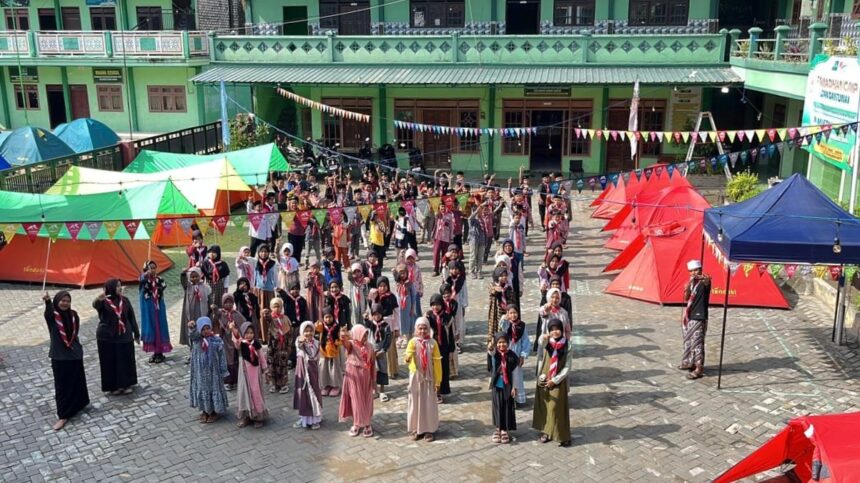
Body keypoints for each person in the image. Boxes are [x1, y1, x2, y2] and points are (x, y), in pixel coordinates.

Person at [42, 291, 89, 431]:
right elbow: (48, 313)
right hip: (59, 356)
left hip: (74, 354)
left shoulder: (74, 315)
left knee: (77, 381)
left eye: (68, 301)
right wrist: (47, 302)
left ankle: (79, 404)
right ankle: (63, 415)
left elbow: (75, 332)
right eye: (62, 300)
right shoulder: (53, 316)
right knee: (62, 387)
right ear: (57, 301)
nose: (65, 303)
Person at [93, 279, 139, 395]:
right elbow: (95, 305)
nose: (120, 288)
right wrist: (98, 299)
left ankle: (126, 384)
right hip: (107, 337)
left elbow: (131, 317)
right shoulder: (104, 302)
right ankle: (113, 386)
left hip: (124, 335)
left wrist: (136, 333)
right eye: (117, 286)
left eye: (120, 286)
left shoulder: (125, 300)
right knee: (110, 361)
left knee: (125, 360)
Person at [533, 319, 572, 447]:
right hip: (545, 376)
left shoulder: (567, 344)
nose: (555, 332)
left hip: (558, 380)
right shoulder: (547, 342)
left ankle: (561, 435)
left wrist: (555, 380)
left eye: (557, 329)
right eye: (552, 329)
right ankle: (546, 432)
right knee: (545, 405)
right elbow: (541, 341)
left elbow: (567, 366)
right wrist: (543, 336)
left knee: (557, 408)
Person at [404, 317, 441, 442]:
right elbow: (408, 354)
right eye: (420, 328)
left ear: (429, 329)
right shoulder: (413, 342)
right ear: (416, 329)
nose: (423, 331)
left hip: (429, 379)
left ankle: (429, 429)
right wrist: (408, 357)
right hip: (416, 378)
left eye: (425, 328)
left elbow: (437, 363)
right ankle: (415, 428)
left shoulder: (433, 343)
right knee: (415, 403)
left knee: (428, 403)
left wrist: (438, 380)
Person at [188, 316, 229, 423]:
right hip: (201, 373)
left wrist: (223, 370)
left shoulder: (216, 341)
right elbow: (192, 335)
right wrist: (192, 328)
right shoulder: (197, 341)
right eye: (203, 329)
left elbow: (222, 356)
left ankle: (214, 411)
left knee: (213, 389)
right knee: (202, 389)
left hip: (213, 373)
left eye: (208, 328)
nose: (206, 331)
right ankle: (205, 411)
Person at [338, 325, 377, 438]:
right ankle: (356, 423)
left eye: (366, 335)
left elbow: (372, 363)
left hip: (366, 378)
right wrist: (343, 335)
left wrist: (374, 380)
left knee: (367, 400)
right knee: (356, 400)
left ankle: (367, 424)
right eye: (363, 335)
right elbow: (345, 343)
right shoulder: (352, 344)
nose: (365, 337)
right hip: (354, 378)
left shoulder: (370, 346)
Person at [230, 321, 268, 428]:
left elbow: (261, 357)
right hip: (244, 373)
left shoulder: (256, 344)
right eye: (246, 333)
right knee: (244, 393)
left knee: (255, 393)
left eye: (251, 333)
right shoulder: (241, 343)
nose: (249, 335)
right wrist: (233, 329)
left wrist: (265, 369)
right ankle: (246, 416)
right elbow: (236, 339)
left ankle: (258, 417)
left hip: (255, 374)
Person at [681, 259, 711, 380]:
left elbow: (707, 282)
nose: (694, 273)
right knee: (688, 340)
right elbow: (686, 298)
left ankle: (699, 368)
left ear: (701, 270)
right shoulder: (692, 282)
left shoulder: (703, 281)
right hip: (690, 315)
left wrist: (706, 280)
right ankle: (690, 362)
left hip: (699, 316)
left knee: (697, 343)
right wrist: (687, 288)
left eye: (696, 270)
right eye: (691, 271)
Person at [488, 332, 519, 444]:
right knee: (497, 407)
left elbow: (515, 373)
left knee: (506, 407)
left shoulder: (512, 356)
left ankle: (504, 429)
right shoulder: (495, 354)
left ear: (508, 342)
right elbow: (491, 351)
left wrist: (515, 387)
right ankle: (498, 428)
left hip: (508, 386)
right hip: (497, 386)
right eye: (499, 342)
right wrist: (491, 345)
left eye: (504, 342)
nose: (502, 345)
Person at [139, 260, 171, 364]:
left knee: (159, 327)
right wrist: (145, 276)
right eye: (150, 268)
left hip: (158, 308)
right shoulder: (144, 280)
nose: (153, 270)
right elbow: (141, 281)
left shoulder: (159, 279)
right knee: (151, 327)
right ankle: (155, 352)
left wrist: (156, 288)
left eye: (154, 268)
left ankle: (159, 352)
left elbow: (163, 286)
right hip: (149, 308)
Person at [293, 321, 324, 430]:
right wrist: (301, 340)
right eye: (306, 331)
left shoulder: (316, 342)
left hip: (313, 371)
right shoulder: (299, 341)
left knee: (315, 392)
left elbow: (317, 357)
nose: (308, 333)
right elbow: (298, 344)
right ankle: (304, 418)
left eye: (311, 331)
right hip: (303, 371)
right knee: (304, 394)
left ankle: (315, 419)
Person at [212, 294, 246, 390]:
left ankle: (236, 381)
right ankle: (228, 382)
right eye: (226, 303)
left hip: (235, 342)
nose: (228, 304)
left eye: (230, 302)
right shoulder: (221, 313)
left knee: (235, 360)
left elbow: (243, 324)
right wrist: (214, 308)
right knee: (227, 361)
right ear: (223, 303)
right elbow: (216, 313)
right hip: (225, 342)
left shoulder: (236, 314)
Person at [500, 306, 530, 406]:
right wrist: (504, 318)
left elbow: (525, 341)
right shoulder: (506, 324)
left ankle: (518, 398)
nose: (513, 315)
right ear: (507, 314)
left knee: (517, 376)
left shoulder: (522, 326)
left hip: (517, 354)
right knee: (507, 375)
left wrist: (523, 355)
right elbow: (502, 326)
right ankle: (508, 398)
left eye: (515, 313)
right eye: (511, 313)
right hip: (507, 353)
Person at [425, 294, 453, 403]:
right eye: (433, 305)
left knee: (442, 371)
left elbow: (450, 335)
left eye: (437, 304)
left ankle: (440, 392)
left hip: (443, 348)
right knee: (431, 370)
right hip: (432, 348)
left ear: (442, 304)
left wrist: (451, 350)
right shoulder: (429, 317)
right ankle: (433, 391)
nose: (435, 307)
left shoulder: (447, 317)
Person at [180, 267, 211, 361]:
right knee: (191, 332)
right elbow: (183, 281)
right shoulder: (188, 287)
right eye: (192, 277)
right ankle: (192, 352)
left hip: (201, 314)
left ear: (200, 275)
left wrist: (210, 310)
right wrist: (183, 274)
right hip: (190, 316)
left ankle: (203, 350)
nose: (194, 278)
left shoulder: (205, 287)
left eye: (196, 276)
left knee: (201, 332)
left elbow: (209, 299)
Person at [363, 303, 392, 402]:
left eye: (379, 314)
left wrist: (383, 350)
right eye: (374, 314)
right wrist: (366, 319)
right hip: (372, 351)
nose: (377, 316)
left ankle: (382, 390)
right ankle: (374, 389)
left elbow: (388, 340)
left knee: (383, 370)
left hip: (381, 351)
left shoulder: (386, 326)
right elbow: (366, 324)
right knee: (373, 370)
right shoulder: (371, 325)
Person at [262, 297, 291, 394]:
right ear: (271, 308)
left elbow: (289, 332)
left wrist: (289, 345)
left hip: (283, 346)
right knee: (272, 365)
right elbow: (267, 318)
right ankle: (274, 384)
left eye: (279, 306)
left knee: (282, 365)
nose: (277, 308)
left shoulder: (285, 318)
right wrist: (266, 313)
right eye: (274, 306)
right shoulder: (271, 319)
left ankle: (283, 384)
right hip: (273, 347)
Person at [316, 307, 345, 397]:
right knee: (324, 369)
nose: (328, 319)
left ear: (333, 317)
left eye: (330, 317)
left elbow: (341, 337)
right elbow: (316, 329)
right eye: (326, 317)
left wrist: (339, 341)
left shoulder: (337, 326)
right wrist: (316, 324)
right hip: (324, 351)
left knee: (334, 370)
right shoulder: (322, 326)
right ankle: (326, 385)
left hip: (334, 351)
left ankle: (336, 386)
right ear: (323, 318)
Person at [253, 244, 278, 339]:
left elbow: (275, 277)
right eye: (261, 251)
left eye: (266, 252)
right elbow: (253, 277)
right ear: (258, 253)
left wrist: (276, 288)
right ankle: (263, 336)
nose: (263, 254)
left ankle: (272, 334)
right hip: (259, 291)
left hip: (270, 291)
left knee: (271, 312)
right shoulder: (255, 263)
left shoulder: (272, 264)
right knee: (261, 312)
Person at [202, 245, 230, 314]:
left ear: (218, 253)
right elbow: (202, 275)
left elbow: (226, 276)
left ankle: (220, 316)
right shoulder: (206, 263)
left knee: (219, 302)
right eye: (210, 252)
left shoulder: (223, 264)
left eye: (214, 252)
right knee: (210, 302)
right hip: (209, 286)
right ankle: (210, 316)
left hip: (220, 287)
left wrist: (226, 288)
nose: (212, 254)